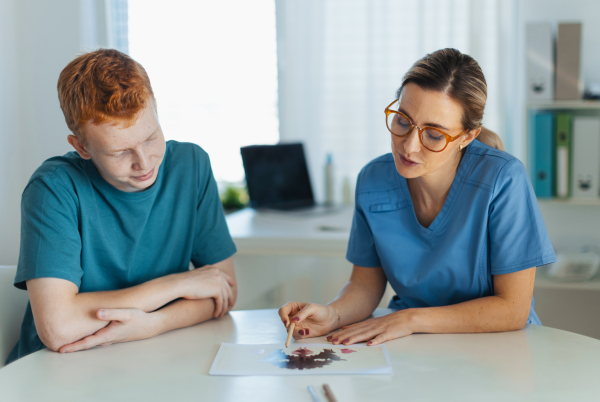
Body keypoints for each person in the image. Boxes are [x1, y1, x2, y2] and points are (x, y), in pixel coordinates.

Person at [278, 48, 556, 346]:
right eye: (402, 121)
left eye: (434, 135)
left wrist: (410, 319)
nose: (408, 146)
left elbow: (512, 309)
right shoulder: (373, 180)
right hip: (412, 341)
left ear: (467, 137)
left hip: (497, 344)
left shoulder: (503, 178)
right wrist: (331, 314)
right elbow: (364, 285)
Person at [6, 49, 237, 364]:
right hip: (59, 368)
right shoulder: (53, 189)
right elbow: (58, 328)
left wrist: (153, 324)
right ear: (82, 147)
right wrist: (178, 284)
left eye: (151, 138)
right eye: (119, 152)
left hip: (152, 358)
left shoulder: (191, 165)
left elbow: (223, 292)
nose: (143, 163)